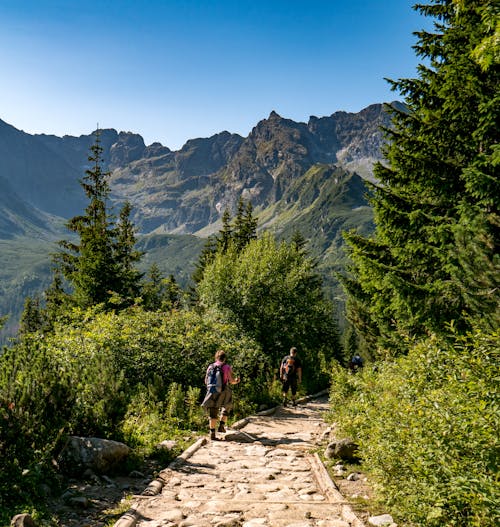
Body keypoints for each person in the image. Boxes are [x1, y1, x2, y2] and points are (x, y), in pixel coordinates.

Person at [201, 350, 240, 440]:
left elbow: (206, 381)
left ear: (216, 357)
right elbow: (231, 381)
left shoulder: (210, 366)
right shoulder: (226, 367)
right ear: (224, 358)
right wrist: (237, 381)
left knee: (213, 411)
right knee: (227, 406)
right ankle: (221, 426)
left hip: (212, 390)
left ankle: (212, 433)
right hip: (223, 390)